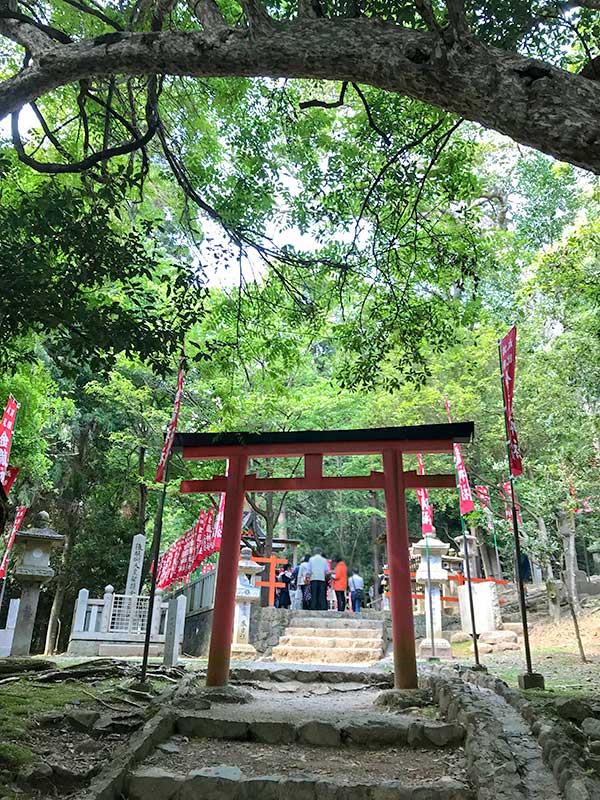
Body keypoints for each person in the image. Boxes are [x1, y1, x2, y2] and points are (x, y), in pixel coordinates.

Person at [307, 546, 329, 611]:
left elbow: (309, 570)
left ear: (314, 552)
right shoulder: (324, 560)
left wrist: (308, 577)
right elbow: (326, 570)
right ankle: (322, 607)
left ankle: (313, 606)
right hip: (322, 578)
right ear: (320, 552)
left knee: (314, 594)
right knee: (321, 594)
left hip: (313, 578)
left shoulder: (311, 559)